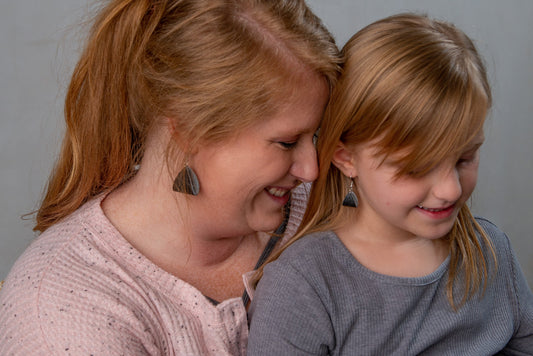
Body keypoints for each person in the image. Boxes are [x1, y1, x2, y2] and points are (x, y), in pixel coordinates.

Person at [0, 0, 340, 354]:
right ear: (190, 131)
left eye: (314, 137)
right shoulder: (60, 314)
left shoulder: (329, 210)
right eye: (286, 142)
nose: (311, 170)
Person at [247, 13, 533, 355]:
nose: (452, 190)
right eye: (418, 167)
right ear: (346, 158)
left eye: (464, 159)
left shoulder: (490, 251)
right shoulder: (302, 286)